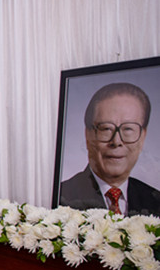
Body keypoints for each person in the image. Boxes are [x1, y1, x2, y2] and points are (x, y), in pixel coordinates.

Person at [59, 82, 160, 216]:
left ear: (142, 137)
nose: (116, 141)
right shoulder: (61, 198)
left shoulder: (155, 201)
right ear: (88, 135)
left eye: (128, 129)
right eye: (106, 129)